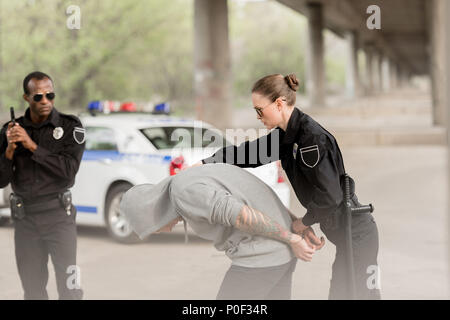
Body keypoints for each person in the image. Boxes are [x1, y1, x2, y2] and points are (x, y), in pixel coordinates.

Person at [191, 73, 381, 300]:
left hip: (358, 234)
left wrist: (302, 223)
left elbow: (330, 197)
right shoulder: (286, 137)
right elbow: (247, 153)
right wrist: (205, 162)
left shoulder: (311, 138)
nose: (258, 116)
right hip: (346, 235)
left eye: (259, 110)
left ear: (279, 103)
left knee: (361, 296)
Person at [120, 163, 324, 300]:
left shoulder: (185, 193)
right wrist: (296, 224)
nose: (161, 231)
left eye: (152, 230)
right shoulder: (189, 179)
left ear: (150, 215)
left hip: (262, 256)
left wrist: (292, 238)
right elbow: (255, 195)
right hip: (280, 254)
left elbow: (242, 214)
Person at [0, 71, 85, 300]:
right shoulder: (10, 129)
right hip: (25, 221)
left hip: (59, 218)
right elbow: (1, 180)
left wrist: (31, 145)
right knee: (33, 291)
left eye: (50, 95)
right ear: (26, 97)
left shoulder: (70, 127)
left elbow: (68, 173)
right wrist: (9, 150)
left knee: (70, 289)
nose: (45, 101)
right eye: (38, 96)